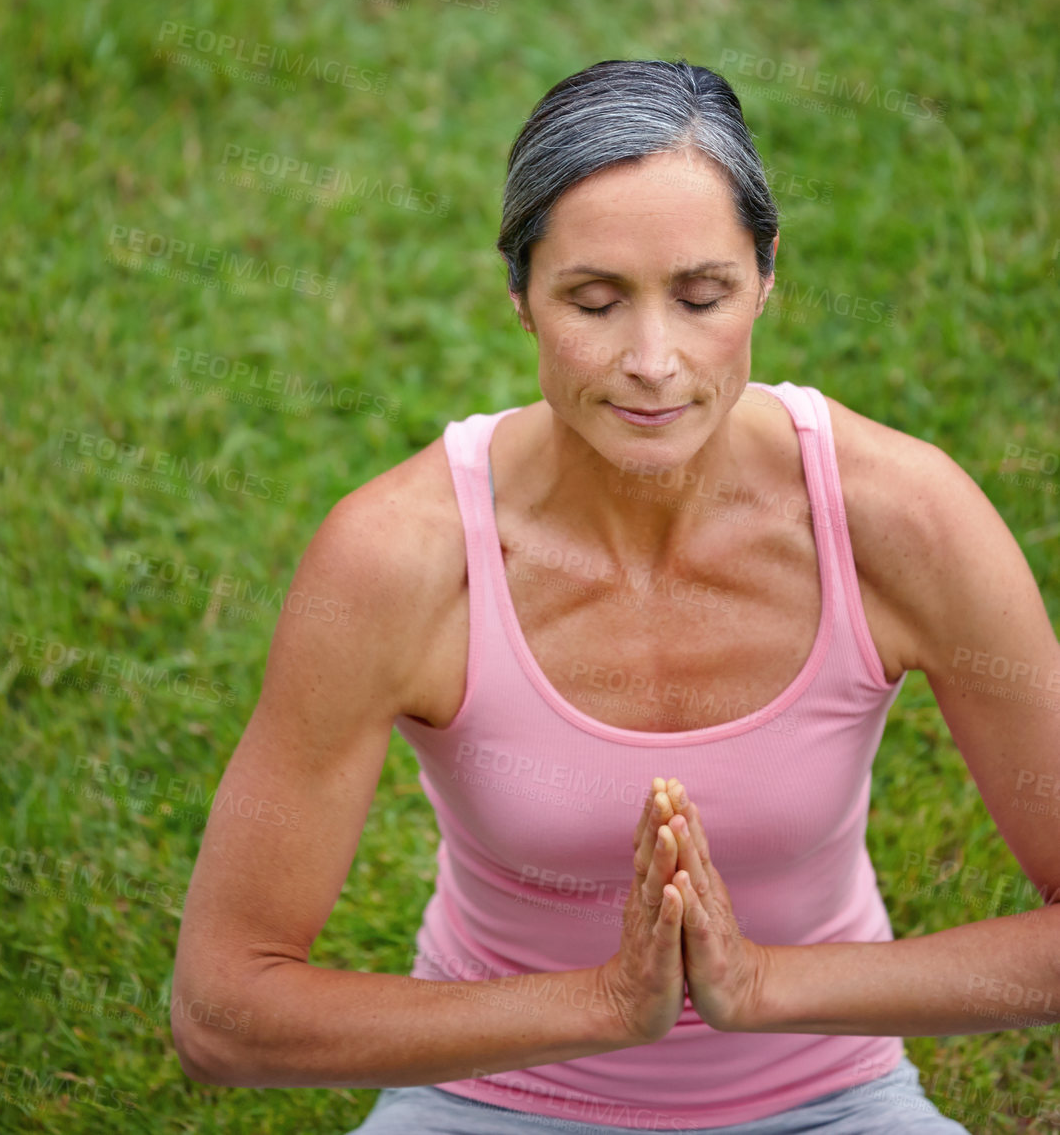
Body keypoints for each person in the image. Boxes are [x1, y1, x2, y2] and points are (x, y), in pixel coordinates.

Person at [171, 59, 1060, 1133]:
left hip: (829, 1099)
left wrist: (763, 987)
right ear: (517, 294)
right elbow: (224, 1009)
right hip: (483, 1102)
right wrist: (597, 1004)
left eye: (701, 296)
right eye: (592, 301)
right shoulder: (397, 559)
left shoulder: (899, 519)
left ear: (765, 276)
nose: (652, 360)